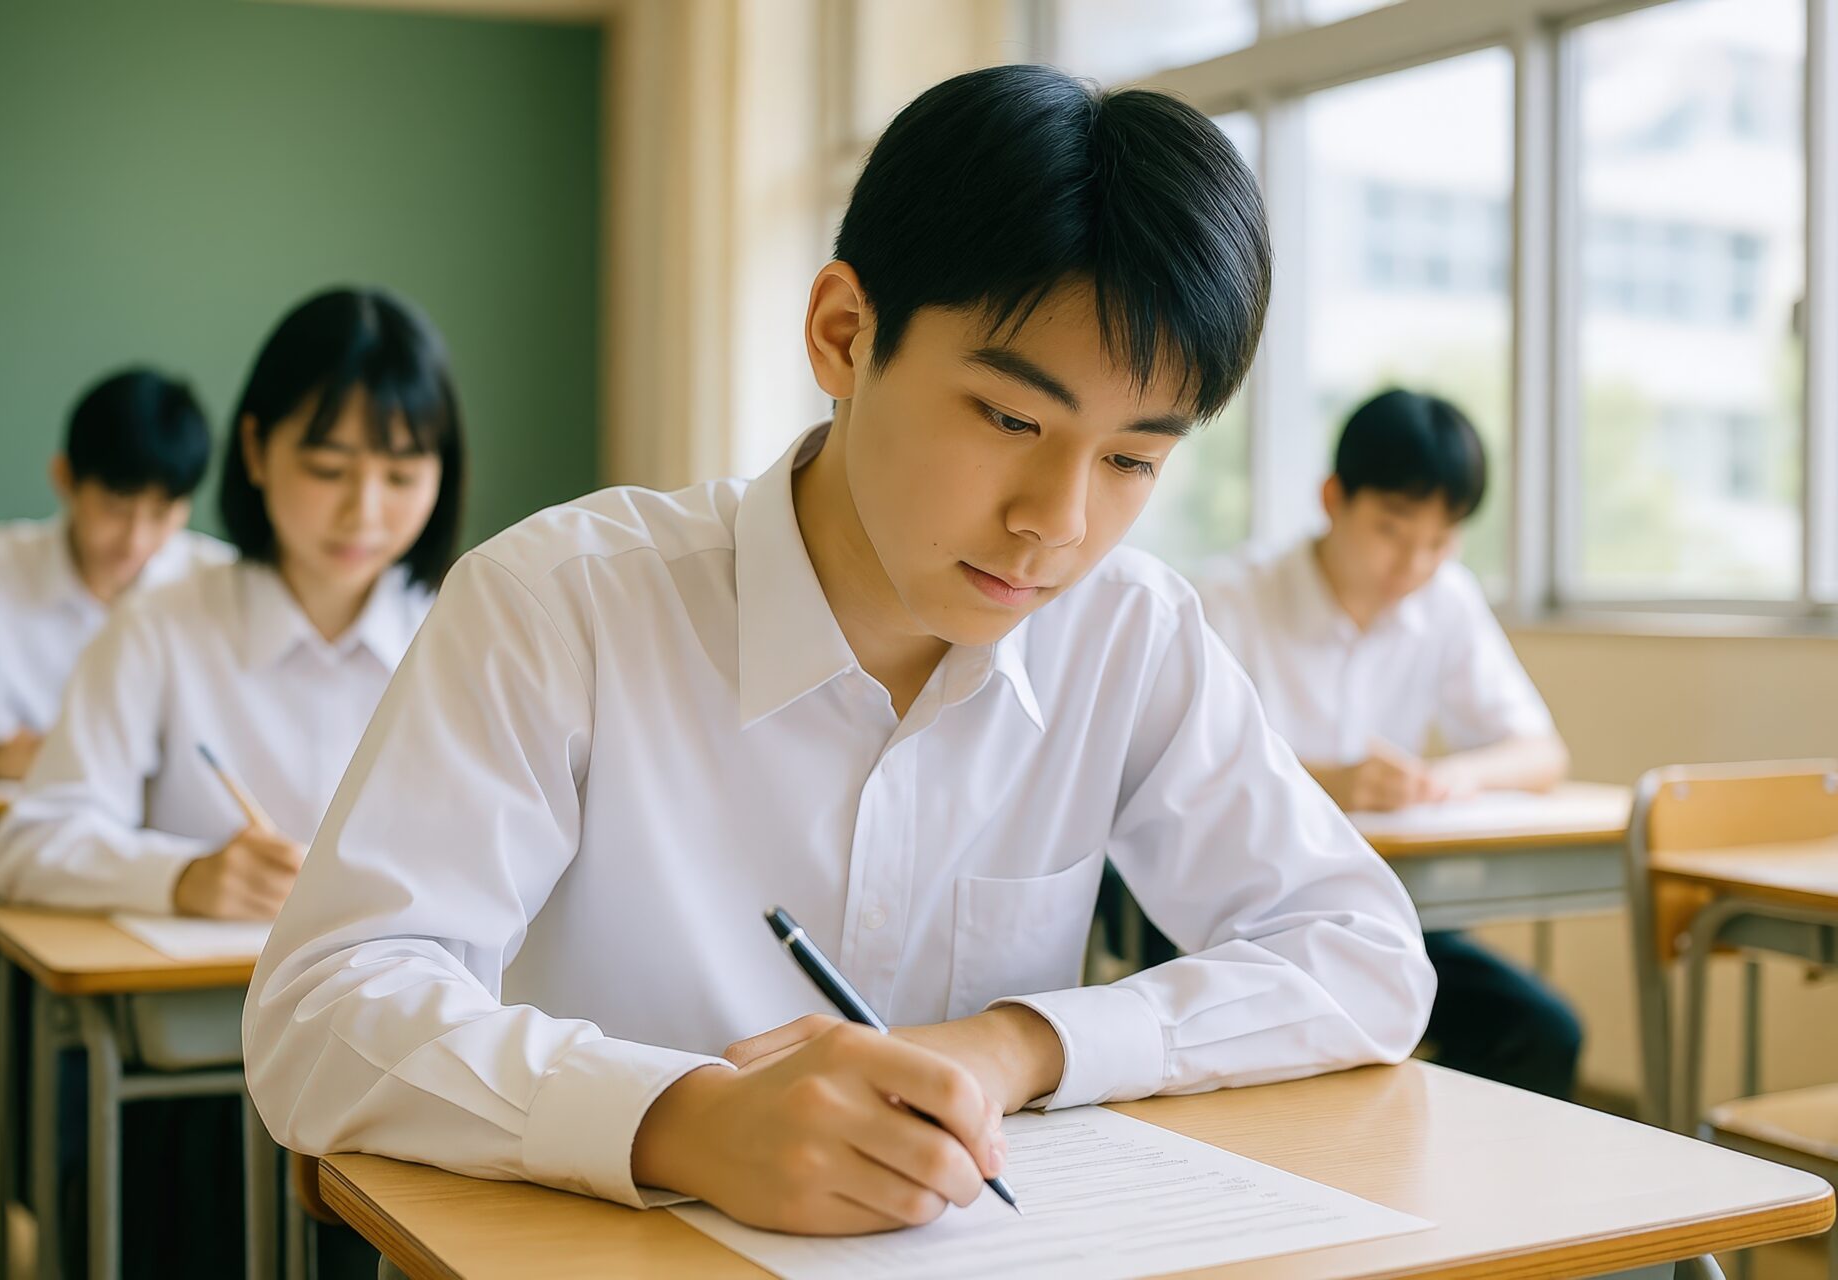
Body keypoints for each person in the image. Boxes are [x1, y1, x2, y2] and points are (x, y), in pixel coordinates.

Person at [245, 65, 1435, 1237]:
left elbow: (1365, 956)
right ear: (842, 334)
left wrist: (1016, 1042)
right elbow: (321, 1010)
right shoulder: (561, 604)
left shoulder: (1126, 630)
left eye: (1132, 459)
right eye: (1011, 419)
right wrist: (685, 1117)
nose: (1058, 521)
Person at [0, 285, 464, 1278]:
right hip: (207, 1074)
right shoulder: (163, 625)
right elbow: (28, 842)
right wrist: (185, 876)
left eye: (402, 471)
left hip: (412, 1065)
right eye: (327, 467)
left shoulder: (469, 630)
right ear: (254, 452)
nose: (363, 511)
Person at [1196, 387, 1581, 1099]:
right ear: (1333, 497)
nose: (1413, 564)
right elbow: (1181, 779)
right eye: (1392, 530)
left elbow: (1540, 751)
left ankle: (1451, 1194)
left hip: (1372, 914)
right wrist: (1325, 781)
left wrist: (1450, 778)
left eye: (1440, 541)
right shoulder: (1231, 599)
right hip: (1229, 922)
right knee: (1317, 1051)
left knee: (1544, 1033)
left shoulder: (1447, 601)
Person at [0, 368, 227, 779]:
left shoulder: (219, 587)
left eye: (161, 512)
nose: (136, 540)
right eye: (117, 506)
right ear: (65, 478)